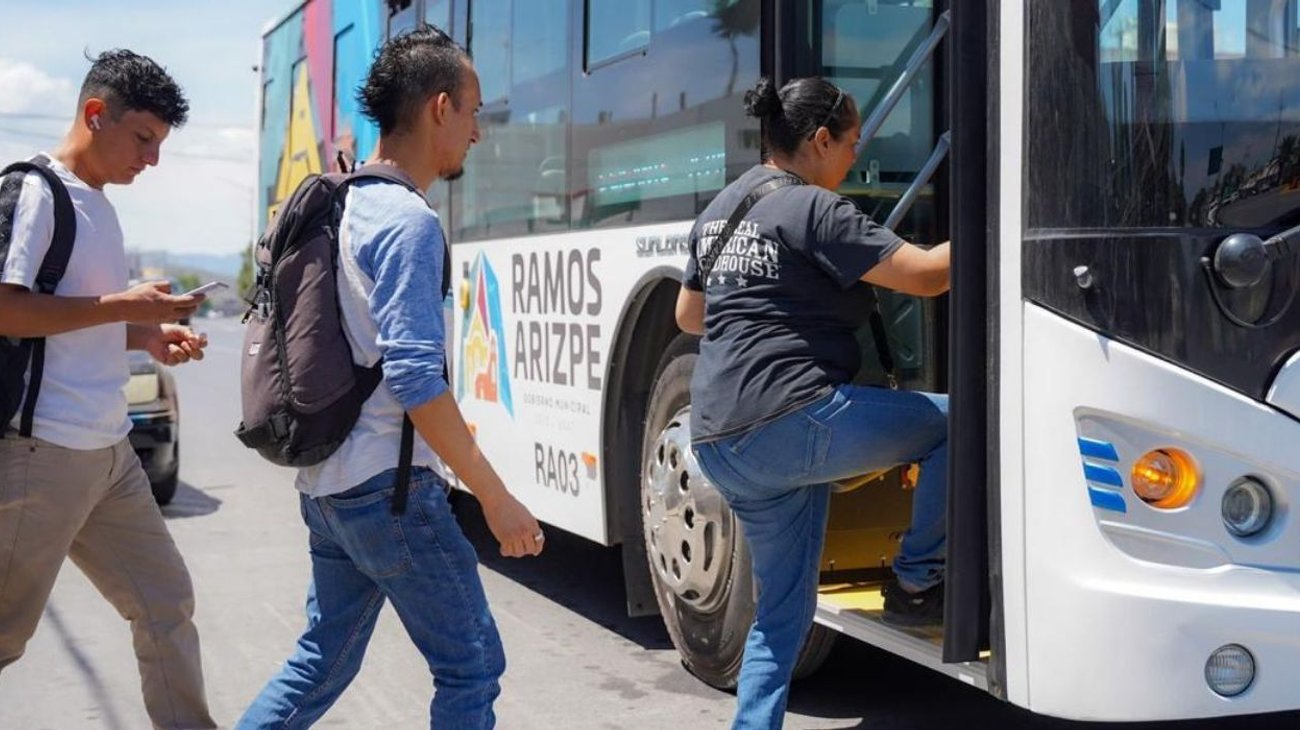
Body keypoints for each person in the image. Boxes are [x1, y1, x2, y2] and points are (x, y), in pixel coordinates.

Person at [238, 27, 544, 730]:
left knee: (320, 659)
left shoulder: (340, 203)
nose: (476, 133)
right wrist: (495, 498)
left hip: (327, 489)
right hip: (390, 490)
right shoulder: (407, 222)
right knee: (471, 666)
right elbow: (416, 380)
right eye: (473, 111)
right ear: (440, 107)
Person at [675, 76, 951, 729]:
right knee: (956, 424)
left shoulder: (719, 209)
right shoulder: (813, 209)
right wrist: (1005, 222)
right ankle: (916, 583)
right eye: (852, 144)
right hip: (791, 419)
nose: (855, 158)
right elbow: (927, 276)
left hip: (717, 437)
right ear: (820, 139)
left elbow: (690, 314)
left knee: (781, 614)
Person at [0, 50, 215, 729]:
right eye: (143, 138)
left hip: (111, 454)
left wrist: (146, 336)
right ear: (96, 114)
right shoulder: (34, 190)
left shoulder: (101, 207)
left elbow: (70, 322)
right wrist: (123, 305)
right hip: (45, 454)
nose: (151, 160)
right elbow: (7, 310)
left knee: (166, 603)